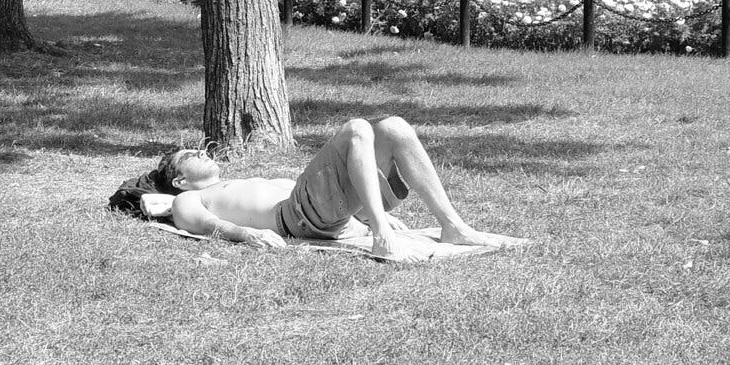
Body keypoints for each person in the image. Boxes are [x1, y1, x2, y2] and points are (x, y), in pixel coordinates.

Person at [147, 117, 523, 263]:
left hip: (329, 213)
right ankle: (382, 233)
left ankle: (452, 225)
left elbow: (326, 206)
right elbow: (198, 223)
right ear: (180, 179)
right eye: (189, 155)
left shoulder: (239, 182)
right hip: (295, 218)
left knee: (394, 127)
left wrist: (363, 221)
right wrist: (247, 234)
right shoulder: (187, 198)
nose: (200, 150)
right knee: (357, 128)